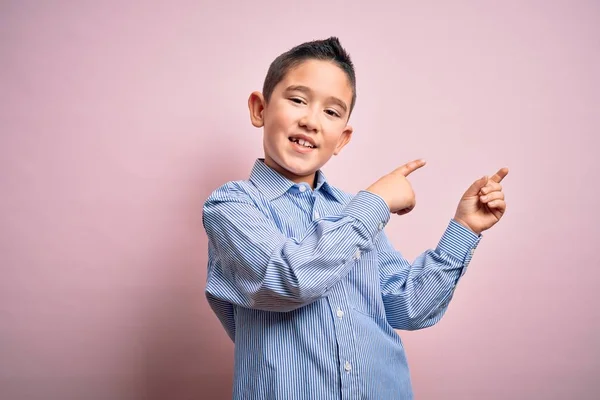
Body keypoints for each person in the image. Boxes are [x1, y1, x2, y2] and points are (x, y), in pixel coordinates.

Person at [202, 37, 508, 400]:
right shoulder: (232, 205)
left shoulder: (354, 213)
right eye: (298, 100)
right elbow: (289, 279)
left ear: (342, 139)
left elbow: (409, 306)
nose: (311, 120)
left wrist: (464, 228)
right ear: (259, 109)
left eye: (331, 112)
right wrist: (375, 202)